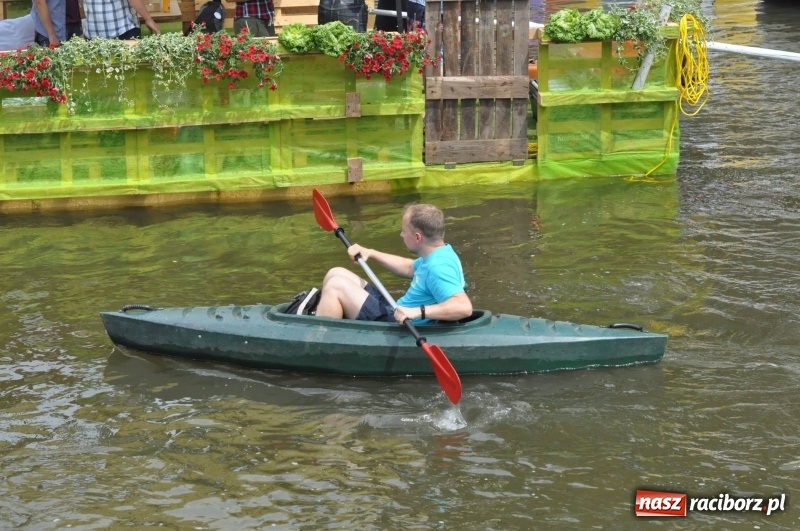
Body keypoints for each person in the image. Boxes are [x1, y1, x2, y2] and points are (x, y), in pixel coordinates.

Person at [315, 203, 473, 324]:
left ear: (417, 237)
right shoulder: (440, 253)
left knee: (336, 285)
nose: (401, 234)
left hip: (397, 324)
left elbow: (463, 307)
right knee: (336, 273)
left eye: (404, 230)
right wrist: (371, 253)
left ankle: (318, 341)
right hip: (396, 310)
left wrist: (417, 312)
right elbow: (409, 267)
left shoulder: (438, 267)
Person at [83, 0, 161, 40]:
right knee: (130, 69)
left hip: (93, 32)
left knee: (98, 69)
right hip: (123, 30)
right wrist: (148, 19)